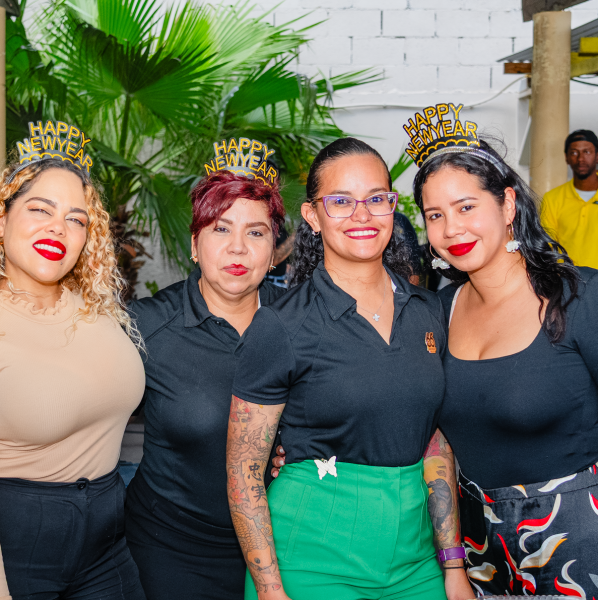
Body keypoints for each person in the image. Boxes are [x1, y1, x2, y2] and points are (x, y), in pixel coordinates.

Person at [227, 137, 474, 600]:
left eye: (377, 199)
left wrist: (453, 564)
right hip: (312, 558)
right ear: (312, 217)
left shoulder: (429, 311)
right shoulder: (280, 325)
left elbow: (434, 441)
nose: (362, 215)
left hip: (416, 559)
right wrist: (269, 587)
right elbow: (243, 471)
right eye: (340, 201)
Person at [409, 104, 598, 596]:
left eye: (466, 206)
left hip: (580, 537)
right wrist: (453, 564)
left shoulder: (579, 297)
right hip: (480, 551)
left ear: (508, 205)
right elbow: (436, 445)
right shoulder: (437, 312)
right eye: (435, 215)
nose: (452, 229)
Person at [124, 142, 286, 600]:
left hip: (281, 548)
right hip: (169, 551)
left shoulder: (299, 324)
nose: (238, 247)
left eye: (256, 233)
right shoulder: (147, 325)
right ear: (194, 244)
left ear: (274, 250)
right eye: (220, 229)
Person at [0, 121, 146, 600]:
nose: (57, 228)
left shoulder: (96, 306)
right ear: (2, 220)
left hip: (108, 538)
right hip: (18, 545)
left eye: (76, 219)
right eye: (39, 209)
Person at [541, 129, 598, 268]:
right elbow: (548, 247)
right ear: (566, 157)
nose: (580, 158)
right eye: (574, 152)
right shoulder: (552, 199)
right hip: (569, 281)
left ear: (597, 156)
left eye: (587, 152)